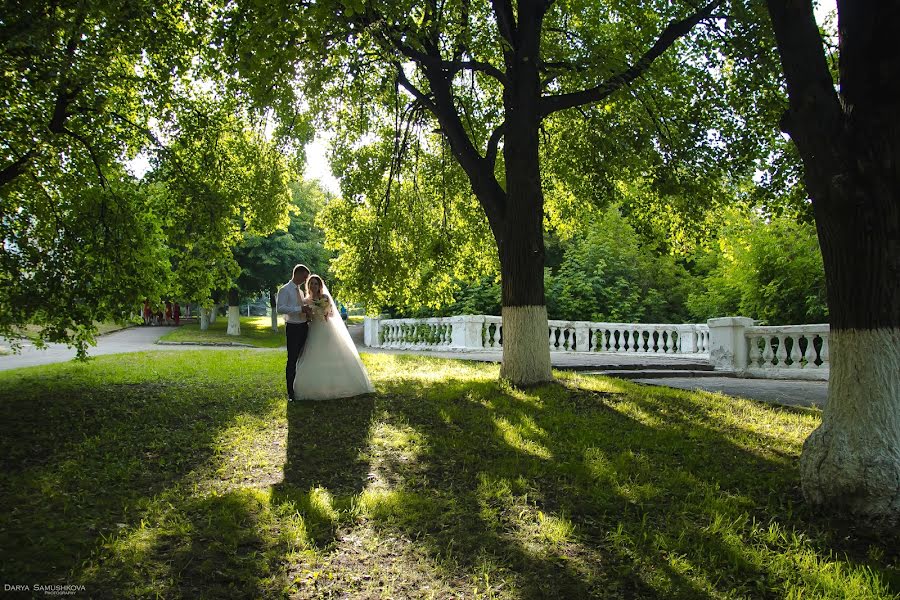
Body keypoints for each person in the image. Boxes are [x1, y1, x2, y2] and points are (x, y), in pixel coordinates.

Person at [293, 275, 374, 401]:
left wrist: (324, 311)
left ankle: (337, 384)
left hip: (326, 328)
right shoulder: (306, 300)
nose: (314, 286)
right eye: (312, 283)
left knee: (332, 353)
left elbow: (331, 313)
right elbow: (306, 317)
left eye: (316, 284)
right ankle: (317, 387)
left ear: (320, 286)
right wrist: (310, 314)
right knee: (315, 354)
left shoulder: (325, 297)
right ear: (308, 285)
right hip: (314, 328)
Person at [276, 264, 311, 402]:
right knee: (292, 359)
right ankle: (291, 392)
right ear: (297, 274)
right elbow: (280, 308)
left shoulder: (301, 292)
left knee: (303, 357)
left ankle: (301, 387)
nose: (305, 279)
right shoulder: (285, 290)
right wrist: (299, 309)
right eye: (304, 276)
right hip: (293, 327)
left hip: (303, 326)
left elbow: (301, 308)